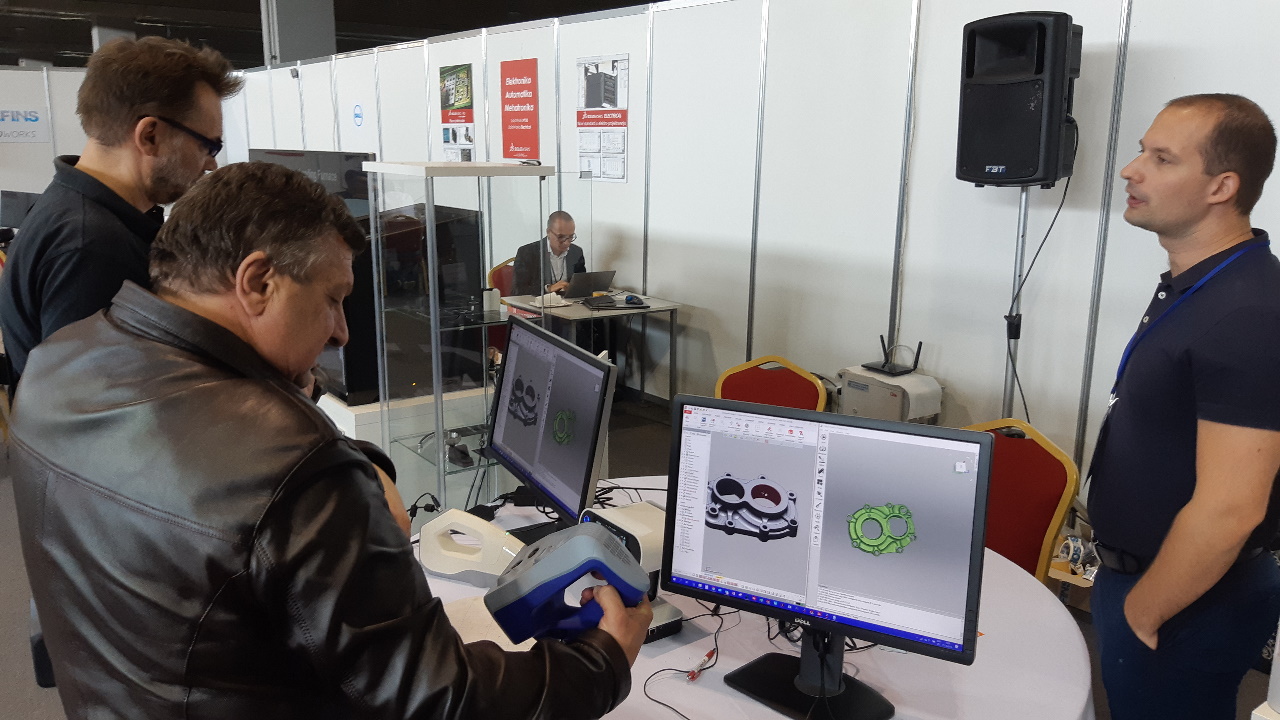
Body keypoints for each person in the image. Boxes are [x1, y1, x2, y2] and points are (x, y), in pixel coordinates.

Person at [9, 162, 652, 719]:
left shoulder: (57, 362)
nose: (342, 330)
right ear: (257, 282)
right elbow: (439, 698)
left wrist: (361, 461)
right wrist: (601, 661)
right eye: (333, 299)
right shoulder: (294, 469)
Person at [1087, 93, 1280, 719]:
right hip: (1150, 582)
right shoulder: (1202, 284)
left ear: (1223, 186)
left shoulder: (1248, 312)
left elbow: (1232, 506)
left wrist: (1144, 611)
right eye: (1141, 150)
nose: (1131, 170)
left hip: (1185, 599)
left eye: (1162, 159)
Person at [0, 37, 240, 384]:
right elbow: (90, 403)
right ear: (150, 135)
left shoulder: (68, 209)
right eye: (208, 145)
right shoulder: (91, 245)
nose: (212, 164)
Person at [514, 210, 585, 295]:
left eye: (571, 237)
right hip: (538, 302)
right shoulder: (527, 252)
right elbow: (518, 290)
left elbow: (581, 285)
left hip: (568, 302)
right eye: (561, 237)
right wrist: (548, 288)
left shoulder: (576, 252)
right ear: (548, 232)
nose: (566, 242)